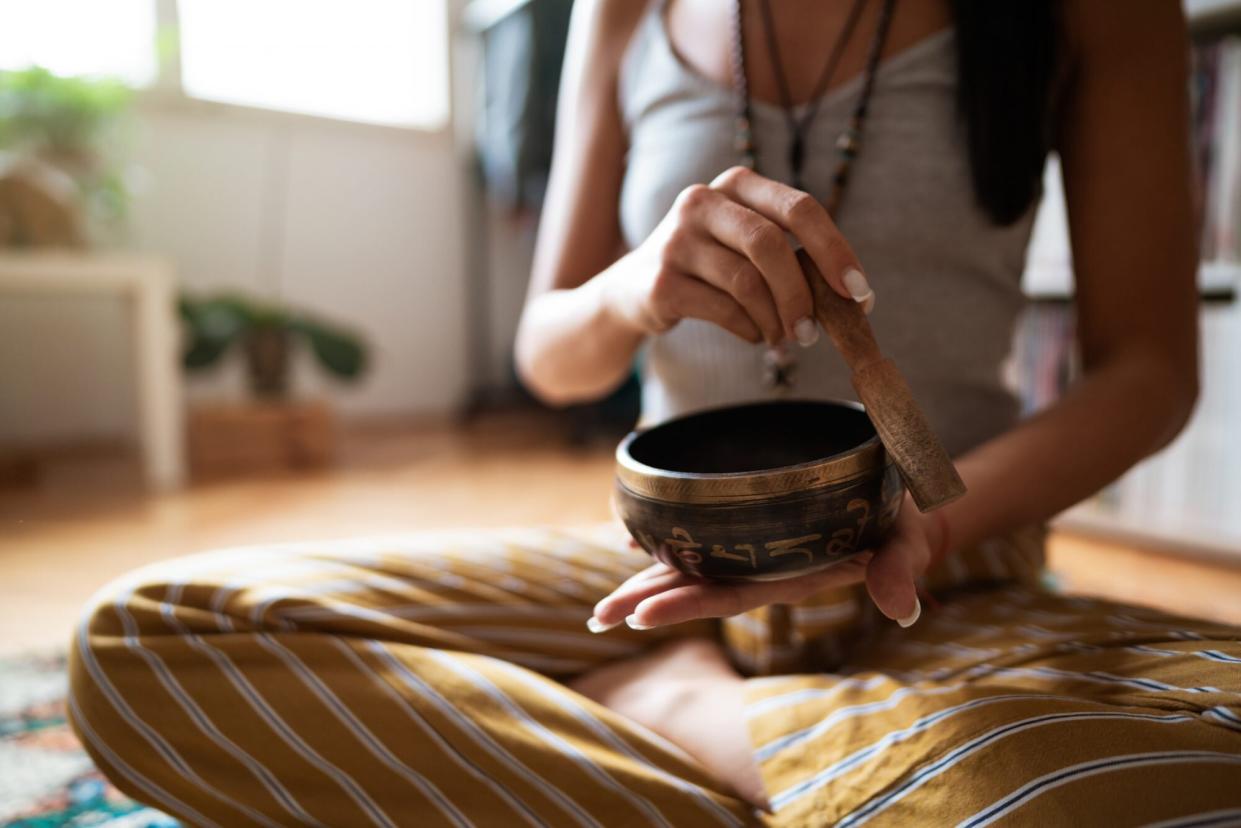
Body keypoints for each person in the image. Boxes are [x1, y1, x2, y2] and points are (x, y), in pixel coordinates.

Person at [70, 1, 1241, 825]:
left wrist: (931, 522)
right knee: (150, 648)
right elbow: (551, 358)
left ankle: (702, 729)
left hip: (947, 568)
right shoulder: (624, 5)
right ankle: (826, 762)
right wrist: (627, 289)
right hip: (656, 582)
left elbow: (1146, 372)